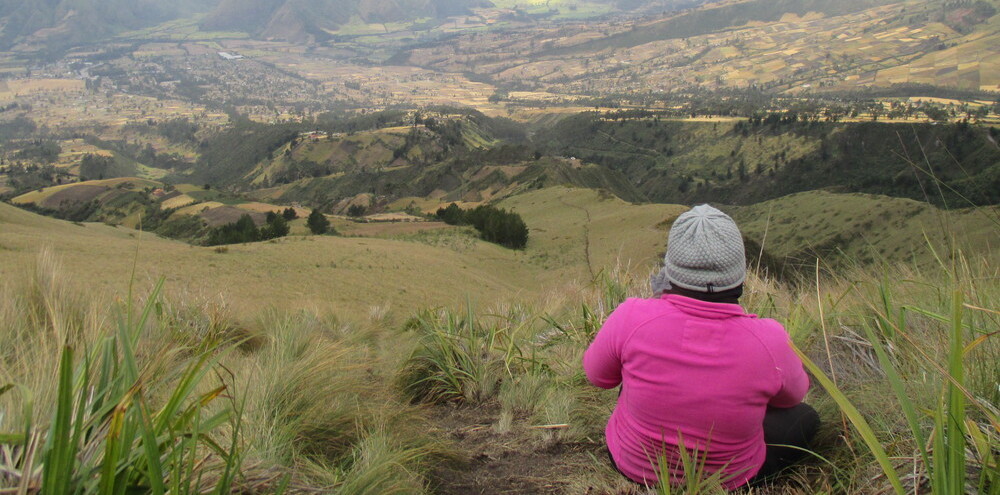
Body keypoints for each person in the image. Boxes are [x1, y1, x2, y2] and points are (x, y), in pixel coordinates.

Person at [583, 205, 819, 490]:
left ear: (670, 268)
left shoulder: (631, 316)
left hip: (633, 467)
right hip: (727, 482)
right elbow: (791, 398)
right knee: (806, 417)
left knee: (629, 373)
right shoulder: (769, 339)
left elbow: (599, 376)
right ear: (741, 272)